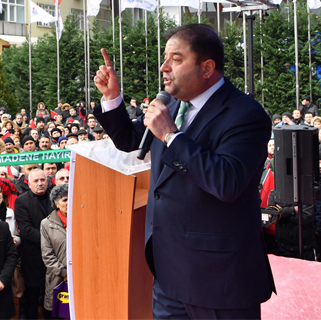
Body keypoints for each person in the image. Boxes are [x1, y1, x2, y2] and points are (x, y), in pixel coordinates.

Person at [93, 24, 275, 318]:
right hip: (169, 274)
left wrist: (172, 137)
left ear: (207, 67)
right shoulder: (173, 104)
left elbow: (227, 182)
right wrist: (112, 97)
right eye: (165, 58)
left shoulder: (245, 114)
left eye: (176, 59)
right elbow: (131, 140)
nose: (164, 67)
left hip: (219, 280)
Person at [14, 169, 51, 319]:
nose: (40, 183)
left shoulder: (54, 197)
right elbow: (26, 230)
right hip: (33, 256)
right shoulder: (21, 201)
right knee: (32, 297)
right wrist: (51, 241)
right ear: (29, 184)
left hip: (54, 257)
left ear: (47, 181)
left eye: (42, 180)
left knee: (51, 296)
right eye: (36, 181)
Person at [40, 183, 68, 317]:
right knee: (57, 312)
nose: (69, 202)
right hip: (57, 278)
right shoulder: (46, 224)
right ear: (56, 203)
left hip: (81, 277)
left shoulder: (82, 219)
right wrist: (64, 273)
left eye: (71, 198)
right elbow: (47, 255)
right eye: (65, 200)